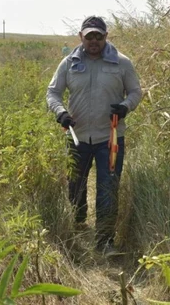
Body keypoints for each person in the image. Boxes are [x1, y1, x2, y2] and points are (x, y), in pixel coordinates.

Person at [47, 15, 142, 253]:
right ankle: (78, 224)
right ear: (81, 37)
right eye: (89, 36)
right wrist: (61, 113)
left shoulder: (121, 63)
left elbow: (135, 92)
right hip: (77, 137)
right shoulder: (69, 63)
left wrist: (125, 106)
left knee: (108, 189)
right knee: (75, 187)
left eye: (98, 36)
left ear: (106, 37)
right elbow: (53, 93)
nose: (94, 41)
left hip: (110, 139)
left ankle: (104, 241)